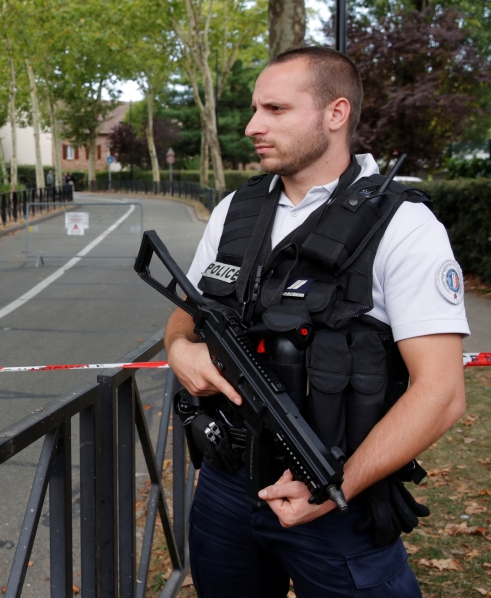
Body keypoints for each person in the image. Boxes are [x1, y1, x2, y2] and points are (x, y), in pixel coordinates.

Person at [164, 46, 468, 597]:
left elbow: (442, 393)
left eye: (275, 110)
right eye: (255, 110)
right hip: (226, 488)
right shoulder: (237, 209)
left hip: (338, 497)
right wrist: (180, 351)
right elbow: (183, 320)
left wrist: (332, 490)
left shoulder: (404, 227)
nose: (254, 125)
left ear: (336, 113)